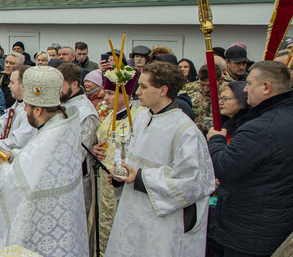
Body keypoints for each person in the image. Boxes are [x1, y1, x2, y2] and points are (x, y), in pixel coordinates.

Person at [105, 61, 215, 257]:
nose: (137, 92)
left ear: (163, 90)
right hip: (132, 210)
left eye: (144, 86)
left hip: (162, 222)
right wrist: (119, 175)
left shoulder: (186, 131)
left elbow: (192, 184)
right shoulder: (141, 118)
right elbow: (128, 156)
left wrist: (139, 177)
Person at [0, 66, 87, 256]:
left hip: (47, 221)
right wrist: (13, 155)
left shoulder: (51, 136)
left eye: (28, 107)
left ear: (38, 110)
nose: (25, 109)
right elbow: (37, 162)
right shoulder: (59, 126)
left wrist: (3, 166)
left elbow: (20, 183)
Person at [207, 60, 293, 257]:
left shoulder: (259, 128)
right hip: (278, 223)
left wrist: (216, 140)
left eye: (249, 83)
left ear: (266, 87)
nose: (245, 89)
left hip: (249, 231)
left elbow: (224, 168)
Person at [92, 75, 143, 256]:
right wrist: (93, 148)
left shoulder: (137, 118)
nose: (105, 97)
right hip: (100, 182)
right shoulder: (109, 115)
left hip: (120, 183)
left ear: (126, 95)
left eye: (110, 93)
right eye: (105, 93)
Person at [58, 62, 100, 216]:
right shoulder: (63, 104)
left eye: (61, 85)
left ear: (74, 84)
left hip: (76, 181)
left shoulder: (86, 112)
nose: (57, 90)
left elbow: (79, 154)